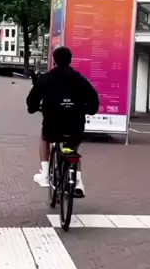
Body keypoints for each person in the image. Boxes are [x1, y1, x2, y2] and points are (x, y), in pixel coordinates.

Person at [26, 46, 99, 198]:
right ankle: (78, 183)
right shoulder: (80, 79)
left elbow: (32, 99)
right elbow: (93, 100)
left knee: (44, 137)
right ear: (70, 60)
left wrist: (33, 108)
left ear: (54, 60)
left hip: (53, 124)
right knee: (72, 148)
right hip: (75, 123)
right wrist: (86, 109)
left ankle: (45, 173)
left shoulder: (46, 78)